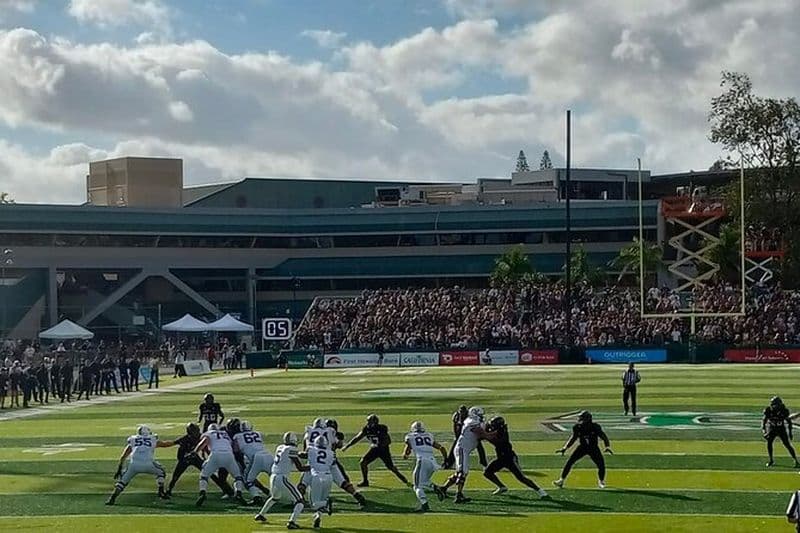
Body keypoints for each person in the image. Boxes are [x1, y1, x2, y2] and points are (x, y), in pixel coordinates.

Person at [483, 416, 549, 498]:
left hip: (509, 458)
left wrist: (485, 433)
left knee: (521, 478)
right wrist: (486, 430)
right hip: (501, 458)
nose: (492, 426)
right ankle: (502, 487)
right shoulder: (500, 430)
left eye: (493, 425)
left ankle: (540, 491)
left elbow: (495, 441)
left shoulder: (502, 433)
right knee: (487, 473)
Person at [440, 406, 494, 503]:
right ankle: (459, 495)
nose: (482, 417)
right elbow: (482, 434)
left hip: (464, 449)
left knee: (461, 472)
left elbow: (481, 436)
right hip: (461, 449)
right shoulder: (471, 422)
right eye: (480, 415)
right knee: (462, 472)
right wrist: (495, 434)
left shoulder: (473, 421)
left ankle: (443, 488)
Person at [164, 422, 233, 498]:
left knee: (210, 473)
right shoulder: (184, 439)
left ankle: (226, 490)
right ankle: (169, 490)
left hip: (194, 458)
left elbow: (205, 447)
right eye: (195, 431)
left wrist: (210, 457)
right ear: (190, 432)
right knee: (176, 475)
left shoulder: (200, 437)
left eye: (197, 431)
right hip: (184, 459)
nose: (197, 433)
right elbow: (172, 443)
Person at [105, 424, 170, 505]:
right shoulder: (152, 439)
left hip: (134, 465)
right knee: (161, 472)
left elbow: (123, 456)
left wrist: (119, 468)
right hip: (148, 464)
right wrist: (177, 442)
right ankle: (161, 491)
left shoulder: (133, 440)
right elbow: (165, 444)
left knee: (123, 482)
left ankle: (112, 498)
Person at [254, 432, 307, 529]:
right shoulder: (291, 449)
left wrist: (301, 455)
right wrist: (313, 467)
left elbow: (290, 456)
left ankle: (261, 514)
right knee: (300, 501)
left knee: (275, 497)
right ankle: (292, 522)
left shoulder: (280, 447)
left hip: (273, 476)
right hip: (282, 478)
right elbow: (300, 467)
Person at [342, 413, 409, 487]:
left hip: (383, 450)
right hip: (374, 449)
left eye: (370, 421)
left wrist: (381, 445)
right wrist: (348, 445)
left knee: (391, 467)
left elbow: (388, 441)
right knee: (363, 462)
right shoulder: (366, 429)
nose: (368, 423)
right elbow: (358, 437)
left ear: (375, 422)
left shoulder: (381, 428)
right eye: (368, 421)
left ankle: (403, 479)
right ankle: (365, 481)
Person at [553, 410, 613, 489]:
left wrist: (607, 446)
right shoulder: (577, 427)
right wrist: (565, 447)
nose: (581, 421)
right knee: (570, 462)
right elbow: (573, 438)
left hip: (593, 448)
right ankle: (561, 480)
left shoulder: (595, 427)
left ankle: (601, 481)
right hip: (582, 447)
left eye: (582, 419)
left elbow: (603, 436)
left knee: (601, 465)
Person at [193, 423, 245, 506]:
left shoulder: (208, 433)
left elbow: (203, 442)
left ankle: (202, 493)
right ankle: (238, 493)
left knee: (204, 476)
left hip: (215, 455)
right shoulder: (225, 434)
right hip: (229, 455)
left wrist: (194, 452)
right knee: (237, 476)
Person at [402, 420, 448, 513]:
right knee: (424, 481)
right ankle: (436, 488)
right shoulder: (429, 435)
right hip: (432, 462)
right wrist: (446, 460)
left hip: (422, 461)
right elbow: (441, 448)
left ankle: (424, 504)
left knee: (417, 486)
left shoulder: (410, 436)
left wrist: (405, 454)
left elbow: (408, 449)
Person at [233, 420, 273, 504]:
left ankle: (256, 497)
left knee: (247, 480)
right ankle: (288, 498)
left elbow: (236, 450)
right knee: (276, 478)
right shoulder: (258, 434)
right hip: (268, 455)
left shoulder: (237, 436)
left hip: (256, 458)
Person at [446, 405, 488, 469]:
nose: (462, 414)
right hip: (461, 433)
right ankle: (448, 464)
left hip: (471, 433)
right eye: (461, 412)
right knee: (455, 449)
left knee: (479, 447)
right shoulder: (456, 416)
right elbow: (455, 426)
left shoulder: (470, 417)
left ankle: (484, 463)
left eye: (463, 412)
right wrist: (457, 436)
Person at [763, 396, 800, 468]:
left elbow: (789, 422)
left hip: (781, 429)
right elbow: (764, 421)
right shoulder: (768, 410)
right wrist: (764, 431)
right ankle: (771, 460)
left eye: (776, 404)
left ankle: (795, 460)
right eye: (774, 404)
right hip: (772, 429)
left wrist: (790, 433)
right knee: (769, 443)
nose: (775, 406)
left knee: (787, 445)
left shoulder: (784, 411)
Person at [307, 435, 335, 529]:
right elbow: (332, 464)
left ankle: (327, 503)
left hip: (317, 477)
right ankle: (317, 519)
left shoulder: (311, 449)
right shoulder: (331, 453)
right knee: (320, 502)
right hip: (328, 477)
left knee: (313, 504)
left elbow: (303, 455)